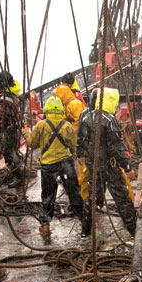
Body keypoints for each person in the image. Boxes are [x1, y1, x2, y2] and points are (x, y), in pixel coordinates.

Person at [26, 97, 89, 239]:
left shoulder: (41, 125)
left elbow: (32, 144)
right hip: (65, 164)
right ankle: (84, 222)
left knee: (48, 195)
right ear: (61, 110)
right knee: (74, 193)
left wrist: (25, 132)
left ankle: (46, 225)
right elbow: (74, 146)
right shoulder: (66, 125)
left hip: (48, 166)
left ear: (47, 110)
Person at [78, 87, 137, 235]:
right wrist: (128, 166)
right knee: (122, 199)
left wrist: (81, 155)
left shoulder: (86, 118)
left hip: (93, 165)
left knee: (92, 198)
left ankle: (85, 231)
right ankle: (134, 230)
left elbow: (80, 140)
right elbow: (116, 148)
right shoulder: (110, 121)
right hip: (109, 167)